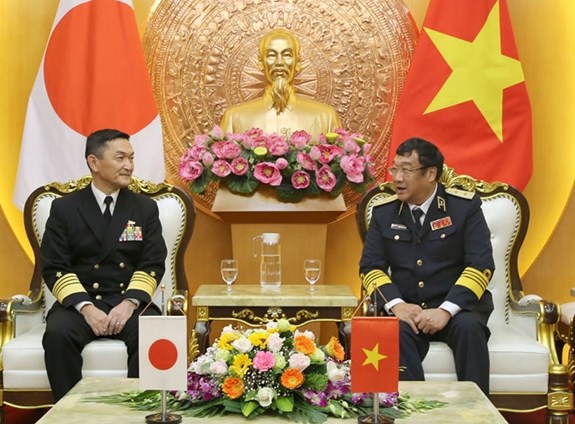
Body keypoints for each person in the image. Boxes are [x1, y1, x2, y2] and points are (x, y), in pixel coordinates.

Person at [359, 137, 495, 395]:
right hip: (408, 308)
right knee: (393, 332)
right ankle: (413, 413)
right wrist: (397, 305)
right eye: (394, 169)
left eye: (406, 170)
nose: (397, 178)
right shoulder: (383, 212)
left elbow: (481, 265)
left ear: (431, 173)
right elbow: (371, 267)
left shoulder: (464, 208)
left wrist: (445, 310)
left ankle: (477, 414)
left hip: (457, 309)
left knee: (470, 329)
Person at [41, 129, 167, 400]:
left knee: (152, 330)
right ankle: (70, 414)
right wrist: (86, 308)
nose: (129, 165)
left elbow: (153, 263)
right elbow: (56, 266)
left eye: (131, 158)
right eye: (120, 157)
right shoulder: (65, 208)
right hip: (80, 302)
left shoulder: (144, 208)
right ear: (94, 163)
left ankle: (139, 410)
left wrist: (129, 303)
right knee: (57, 334)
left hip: (126, 299)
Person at [220, 28, 342, 139]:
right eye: (271, 55)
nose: (279, 62)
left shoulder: (326, 117)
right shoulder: (234, 118)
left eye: (287, 55)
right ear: (261, 63)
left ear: (298, 62)